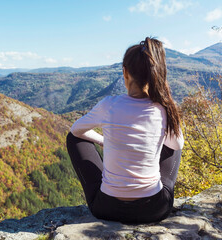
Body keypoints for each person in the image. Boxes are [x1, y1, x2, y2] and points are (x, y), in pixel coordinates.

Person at [66, 37, 184, 223]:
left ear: (125, 72)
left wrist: (102, 140)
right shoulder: (163, 109)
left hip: (106, 208)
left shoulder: (109, 105)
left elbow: (76, 131)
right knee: (174, 146)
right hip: (155, 209)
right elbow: (177, 144)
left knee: (73, 138)